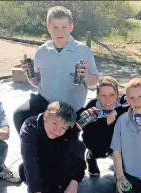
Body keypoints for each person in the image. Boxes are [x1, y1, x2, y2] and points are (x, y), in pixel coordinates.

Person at [13, 5, 99, 133]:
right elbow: (37, 82)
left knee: (62, 138)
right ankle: (29, 147)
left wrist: (86, 76)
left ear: (71, 27)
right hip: (45, 102)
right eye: (55, 27)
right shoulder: (41, 51)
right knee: (19, 115)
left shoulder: (83, 51)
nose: (60, 32)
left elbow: (95, 81)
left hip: (70, 107)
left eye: (64, 27)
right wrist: (29, 74)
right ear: (48, 28)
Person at [19, 101, 86, 193]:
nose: (57, 130)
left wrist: (74, 182)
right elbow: (30, 161)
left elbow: (79, 153)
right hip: (38, 167)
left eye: (63, 128)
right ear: (45, 116)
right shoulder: (29, 127)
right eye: (55, 123)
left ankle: (59, 188)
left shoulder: (68, 130)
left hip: (58, 164)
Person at [78, 76, 130, 176]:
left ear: (118, 95)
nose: (108, 100)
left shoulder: (123, 103)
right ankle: (91, 156)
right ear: (97, 96)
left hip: (118, 140)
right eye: (103, 95)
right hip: (98, 139)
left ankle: (119, 157)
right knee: (100, 150)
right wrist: (84, 116)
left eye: (112, 95)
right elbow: (82, 127)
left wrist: (117, 111)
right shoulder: (93, 105)